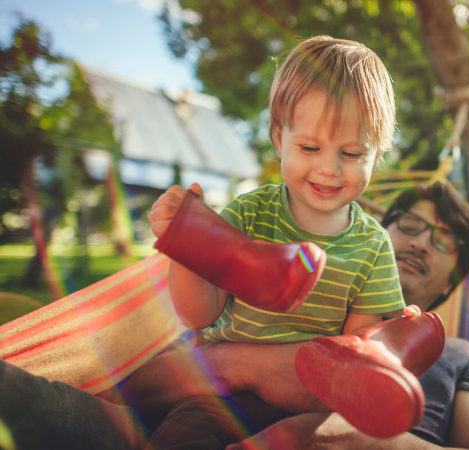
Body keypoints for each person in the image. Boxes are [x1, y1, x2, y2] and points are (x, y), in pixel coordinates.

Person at [0, 183, 469, 450]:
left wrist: (351, 442)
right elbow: (120, 388)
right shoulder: (263, 299)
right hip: (148, 430)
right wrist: (238, 364)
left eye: (445, 241)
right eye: (411, 225)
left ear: (454, 282)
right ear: (376, 233)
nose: (420, 242)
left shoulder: (462, 356)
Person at [138, 35, 447, 436]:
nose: (330, 169)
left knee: (314, 437)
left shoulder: (371, 245)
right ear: (279, 137)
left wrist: (382, 342)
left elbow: (350, 351)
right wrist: (185, 244)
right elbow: (198, 315)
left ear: (378, 153)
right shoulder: (249, 215)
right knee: (186, 437)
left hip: (307, 399)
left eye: (352, 154)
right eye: (310, 147)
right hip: (220, 394)